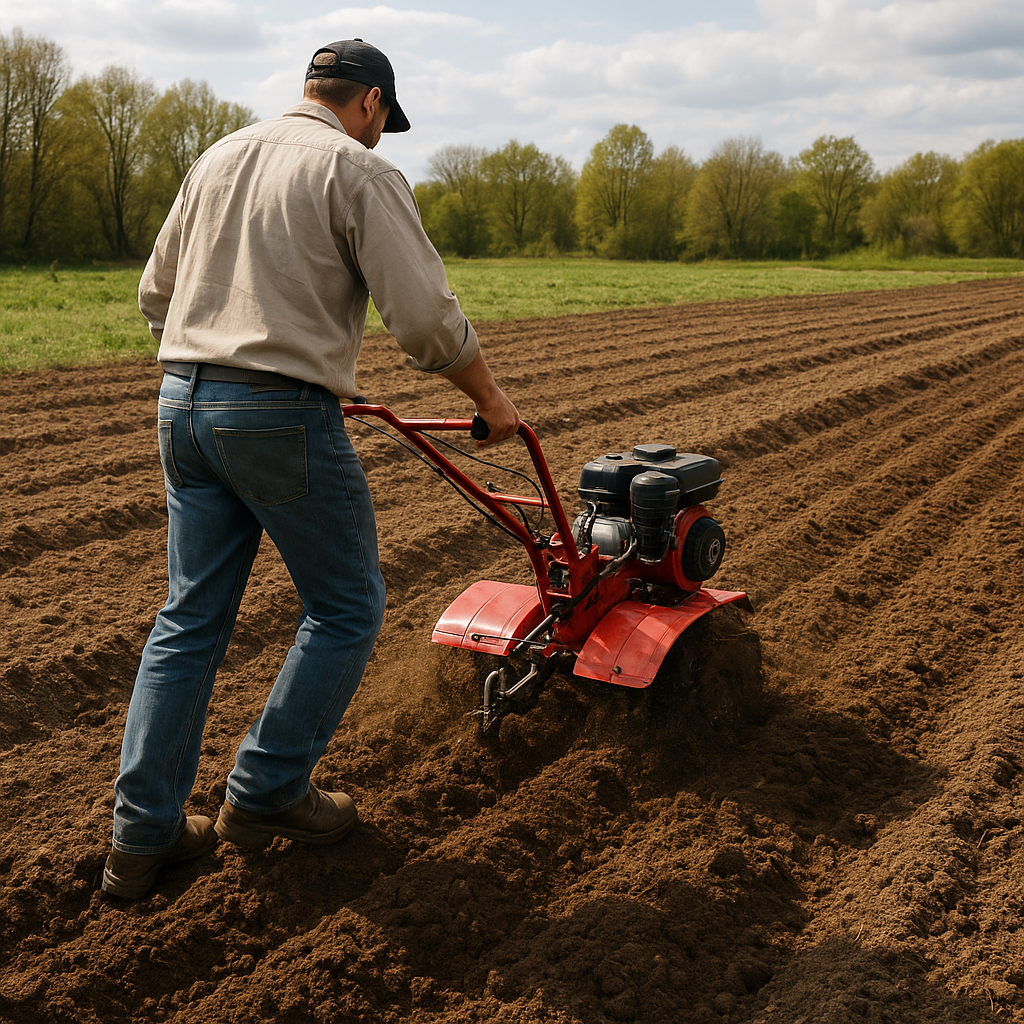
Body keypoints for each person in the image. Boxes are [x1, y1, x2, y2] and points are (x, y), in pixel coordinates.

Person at [101, 39, 520, 899]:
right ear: (370, 102)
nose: (379, 137)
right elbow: (424, 320)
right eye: (383, 122)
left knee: (189, 619)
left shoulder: (219, 156)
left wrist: (211, 368)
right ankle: (267, 790)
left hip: (181, 404)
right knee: (346, 605)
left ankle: (141, 836)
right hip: (279, 414)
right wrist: (490, 398)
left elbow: (156, 295)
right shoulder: (356, 170)